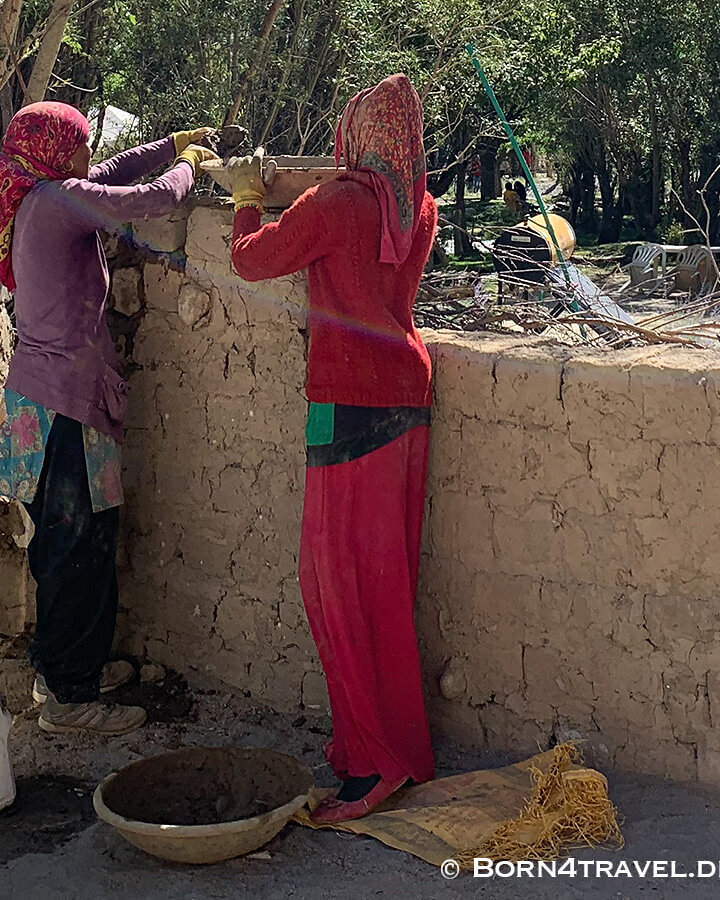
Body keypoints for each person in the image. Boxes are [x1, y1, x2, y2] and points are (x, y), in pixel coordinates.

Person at [223, 74, 438, 823]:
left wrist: (247, 194)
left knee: (332, 585)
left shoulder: (338, 203)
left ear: (351, 135)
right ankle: (381, 751)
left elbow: (251, 258)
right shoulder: (419, 207)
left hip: (341, 405)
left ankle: (373, 766)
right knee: (387, 584)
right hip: (407, 397)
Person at [0, 102, 217, 736]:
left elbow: (109, 174)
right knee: (76, 549)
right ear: (58, 153)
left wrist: (171, 140)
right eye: (80, 146)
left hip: (41, 399)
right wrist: (188, 169)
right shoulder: (59, 202)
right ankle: (68, 696)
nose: (88, 156)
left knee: (67, 544)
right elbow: (141, 200)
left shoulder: (39, 196)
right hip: (66, 407)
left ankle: (69, 666)